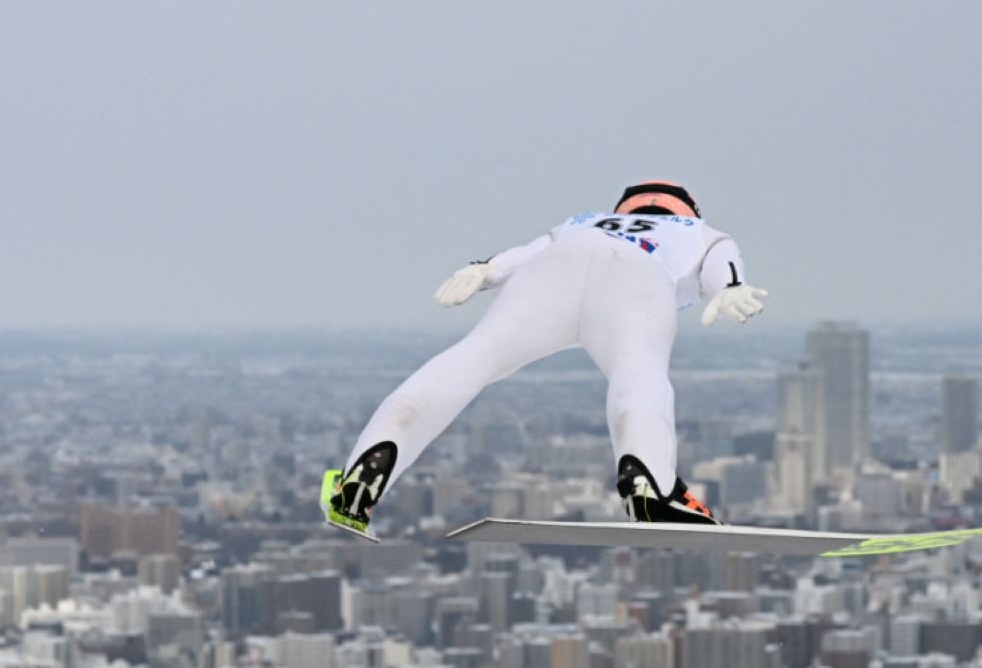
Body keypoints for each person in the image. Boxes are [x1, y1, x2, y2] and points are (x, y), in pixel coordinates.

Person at [322, 181, 768, 540]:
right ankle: (650, 486)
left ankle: (359, 480)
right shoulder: (697, 232)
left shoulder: (584, 221)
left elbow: (528, 253)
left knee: (472, 358)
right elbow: (721, 262)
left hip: (555, 268)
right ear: (687, 209)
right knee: (638, 370)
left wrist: (485, 269)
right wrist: (731, 286)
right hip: (636, 275)